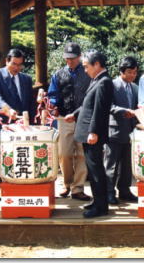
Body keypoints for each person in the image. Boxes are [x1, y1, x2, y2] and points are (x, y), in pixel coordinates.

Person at [65, 50, 114, 218]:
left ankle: (101, 207)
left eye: (87, 66)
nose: (85, 70)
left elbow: (99, 110)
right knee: (92, 170)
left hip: (92, 134)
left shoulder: (104, 82)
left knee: (96, 170)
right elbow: (88, 104)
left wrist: (93, 132)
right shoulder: (97, 80)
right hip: (87, 131)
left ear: (97, 64)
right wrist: (75, 114)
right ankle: (97, 201)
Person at [0, 49, 37, 201]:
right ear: (7, 61)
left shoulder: (26, 79)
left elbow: (29, 103)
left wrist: (33, 122)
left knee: (19, 157)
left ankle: (14, 189)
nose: (17, 67)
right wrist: (7, 110)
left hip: (20, 125)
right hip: (0, 123)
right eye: (14, 64)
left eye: (20, 65)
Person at [47, 42, 91, 201]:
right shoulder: (58, 74)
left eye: (73, 58)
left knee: (81, 154)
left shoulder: (88, 73)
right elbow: (52, 94)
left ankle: (78, 188)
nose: (70, 61)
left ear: (79, 57)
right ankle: (66, 184)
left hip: (83, 118)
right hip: (64, 118)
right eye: (67, 58)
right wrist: (53, 104)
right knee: (64, 154)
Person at [104, 56, 139, 205]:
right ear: (122, 71)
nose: (132, 75)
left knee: (127, 164)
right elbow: (108, 106)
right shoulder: (111, 85)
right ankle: (109, 192)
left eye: (135, 72)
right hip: (114, 130)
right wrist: (124, 111)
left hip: (131, 130)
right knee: (111, 164)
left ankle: (124, 190)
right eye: (130, 72)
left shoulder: (136, 87)